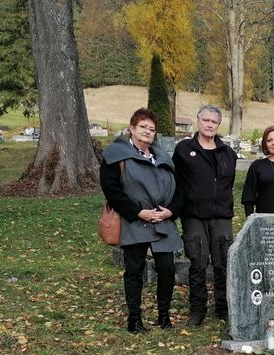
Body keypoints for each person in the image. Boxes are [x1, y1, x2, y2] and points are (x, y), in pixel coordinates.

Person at [100, 108, 183, 334]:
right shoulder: (116, 155)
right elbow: (112, 190)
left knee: (166, 268)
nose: (148, 132)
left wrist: (170, 212)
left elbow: (179, 190)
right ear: (132, 128)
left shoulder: (162, 157)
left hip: (162, 220)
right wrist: (138, 212)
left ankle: (164, 316)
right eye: (143, 127)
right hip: (135, 221)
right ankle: (134, 319)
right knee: (134, 271)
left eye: (152, 129)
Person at [173, 105, 237, 326]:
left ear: (218, 125)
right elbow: (176, 182)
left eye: (214, 122)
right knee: (198, 262)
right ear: (198, 121)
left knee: (223, 263)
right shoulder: (183, 149)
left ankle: (224, 307)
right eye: (206, 120)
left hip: (221, 217)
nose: (209, 125)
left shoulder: (228, 153)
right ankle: (197, 309)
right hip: (193, 216)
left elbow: (228, 185)